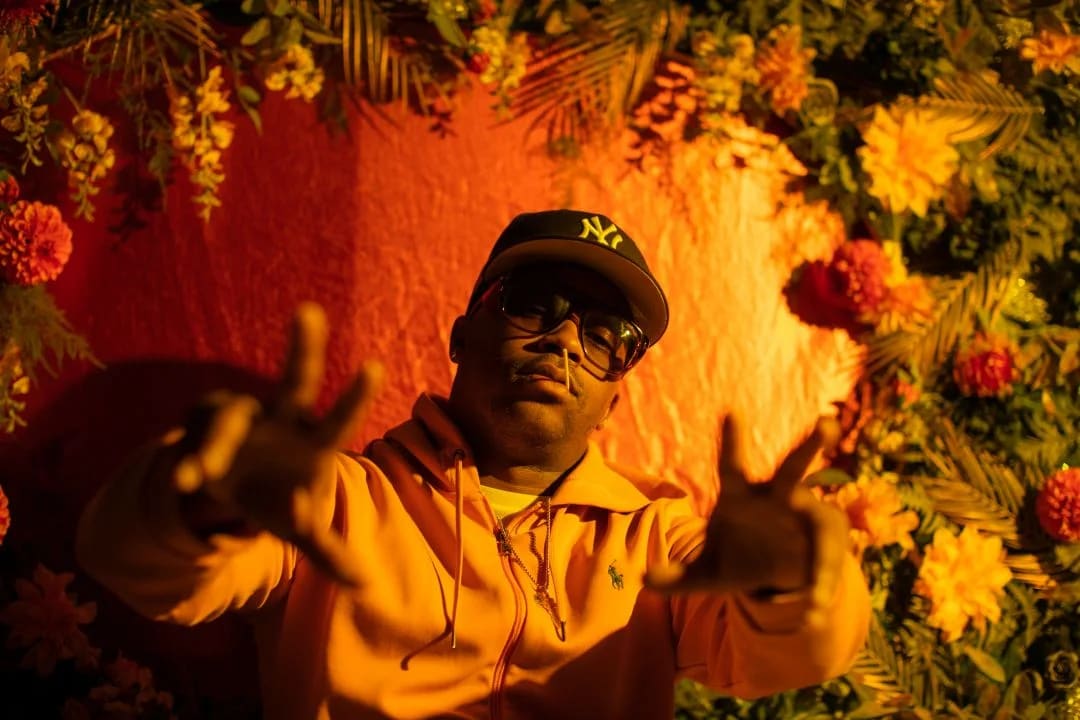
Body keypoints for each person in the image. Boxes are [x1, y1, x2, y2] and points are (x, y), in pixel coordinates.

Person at [76, 210, 870, 719]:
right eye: (534, 306)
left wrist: (792, 575)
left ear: (615, 398)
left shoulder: (654, 541)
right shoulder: (338, 499)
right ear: (462, 336)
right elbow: (131, 567)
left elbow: (789, 655)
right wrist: (207, 498)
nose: (565, 341)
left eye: (606, 337)